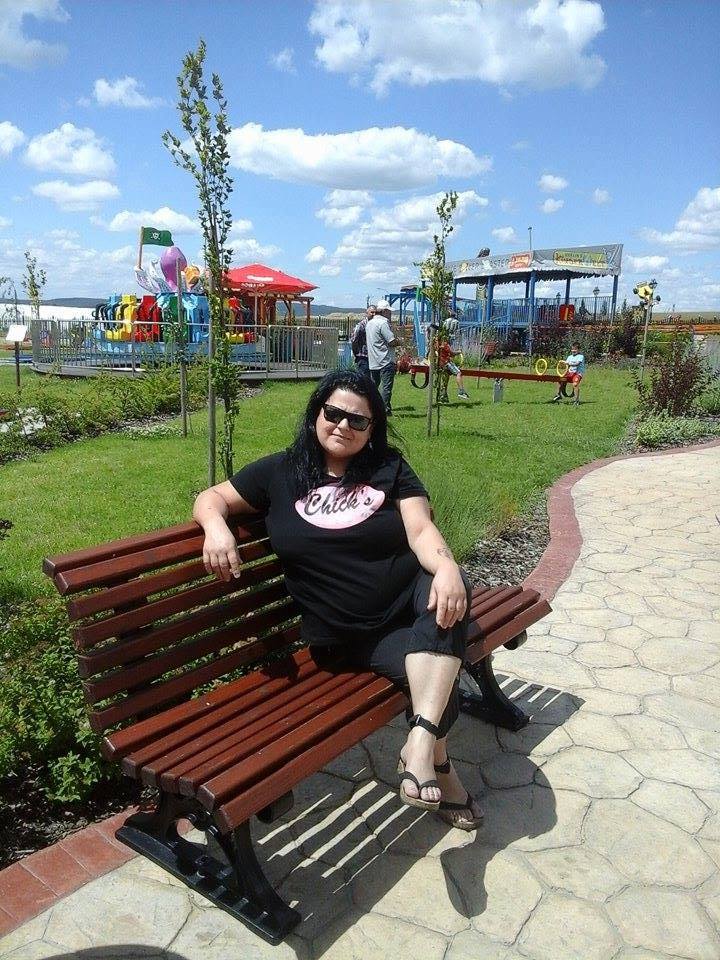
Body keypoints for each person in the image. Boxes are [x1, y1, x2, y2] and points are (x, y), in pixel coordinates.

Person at [193, 369, 483, 830]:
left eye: (358, 420)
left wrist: (447, 566)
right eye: (333, 413)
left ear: (372, 430)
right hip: (349, 636)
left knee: (450, 590)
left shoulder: (389, 468)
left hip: (410, 599)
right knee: (438, 668)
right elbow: (211, 497)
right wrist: (215, 527)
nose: (343, 425)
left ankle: (420, 746)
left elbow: (420, 528)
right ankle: (439, 762)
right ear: (316, 414)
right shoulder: (279, 472)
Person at [366, 299, 399, 415]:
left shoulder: (369, 323)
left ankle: (371, 408)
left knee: (374, 387)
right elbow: (391, 341)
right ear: (384, 311)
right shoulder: (383, 323)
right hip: (385, 360)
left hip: (373, 360)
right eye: (389, 311)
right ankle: (385, 410)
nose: (391, 314)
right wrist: (399, 342)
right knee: (386, 387)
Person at [436, 315, 470, 402]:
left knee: (445, 378)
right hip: (445, 362)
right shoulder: (444, 342)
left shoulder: (438, 341)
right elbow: (451, 353)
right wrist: (458, 352)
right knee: (458, 373)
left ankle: (443, 396)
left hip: (440, 362)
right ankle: (461, 391)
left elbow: (446, 353)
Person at [350, 303, 375, 377]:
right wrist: (356, 353)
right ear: (367, 313)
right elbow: (354, 340)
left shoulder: (375, 325)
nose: (374, 314)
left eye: (375, 313)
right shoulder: (361, 325)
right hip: (363, 357)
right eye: (372, 312)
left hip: (373, 357)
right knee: (363, 379)